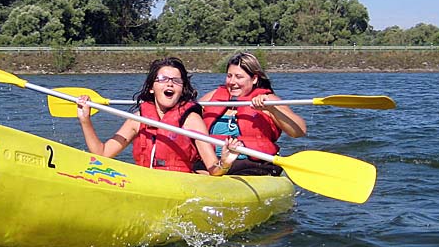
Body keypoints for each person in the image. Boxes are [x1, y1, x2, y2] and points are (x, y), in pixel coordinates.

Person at [76, 57, 243, 176]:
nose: (169, 83)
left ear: (182, 89)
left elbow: (213, 169)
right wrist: (85, 120)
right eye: (163, 79)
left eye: (176, 81)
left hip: (178, 185)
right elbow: (103, 153)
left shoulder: (191, 120)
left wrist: (225, 162)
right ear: (151, 87)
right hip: (146, 182)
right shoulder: (139, 118)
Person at [198, 52, 307, 176]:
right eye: (229, 76)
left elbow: (299, 131)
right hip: (213, 163)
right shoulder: (212, 97)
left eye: (239, 77)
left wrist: (272, 110)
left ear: (254, 79)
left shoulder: (268, 100)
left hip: (250, 165)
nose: (232, 82)